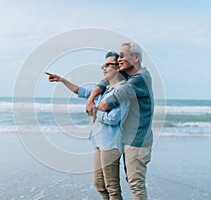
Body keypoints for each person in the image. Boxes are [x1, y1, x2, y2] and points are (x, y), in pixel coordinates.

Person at [45, 52, 126, 200]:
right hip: (98, 142)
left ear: (119, 67)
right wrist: (62, 80)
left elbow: (114, 118)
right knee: (100, 185)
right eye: (103, 65)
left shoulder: (122, 90)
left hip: (111, 144)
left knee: (112, 188)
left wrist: (94, 110)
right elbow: (82, 92)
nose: (104, 68)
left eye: (109, 65)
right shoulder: (103, 90)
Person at [86, 42, 154, 200]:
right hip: (127, 138)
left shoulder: (140, 77)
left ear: (136, 57)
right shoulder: (130, 76)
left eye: (122, 56)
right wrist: (92, 97)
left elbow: (115, 97)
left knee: (136, 184)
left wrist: (98, 107)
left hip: (138, 140)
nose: (119, 60)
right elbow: (105, 82)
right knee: (127, 182)